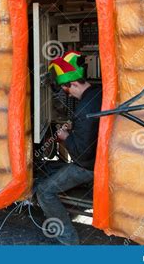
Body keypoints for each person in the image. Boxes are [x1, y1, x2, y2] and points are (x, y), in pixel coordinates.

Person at [36, 51, 102, 245]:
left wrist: (64, 137)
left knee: (44, 191)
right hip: (102, 158)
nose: (67, 93)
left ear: (73, 84)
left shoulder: (83, 110)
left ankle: (68, 240)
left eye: (66, 90)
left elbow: (81, 155)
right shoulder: (98, 92)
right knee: (55, 168)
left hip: (88, 166)